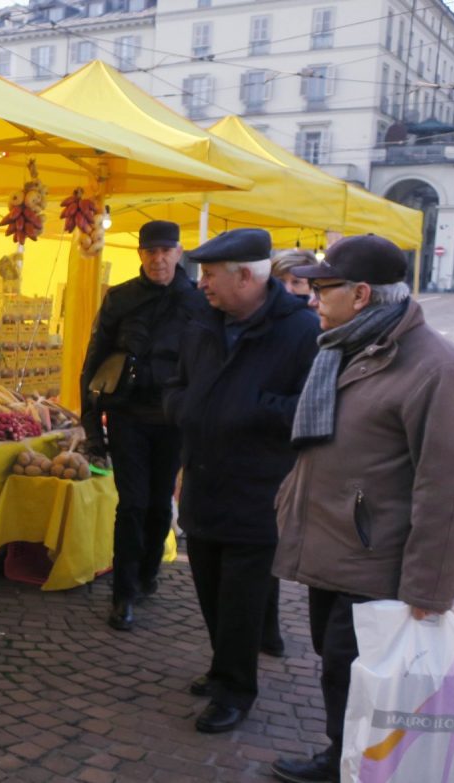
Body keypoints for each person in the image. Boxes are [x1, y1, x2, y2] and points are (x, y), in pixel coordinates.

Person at [270, 235, 454, 783]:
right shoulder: (343, 346)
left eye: (322, 288)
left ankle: (353, 765)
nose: (311, 299)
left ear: (360, 294)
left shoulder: (434, 367)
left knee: (355, 672)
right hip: (333, 548)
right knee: (336, 666)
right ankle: (344, 757)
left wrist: (428, 588)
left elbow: (444, 486)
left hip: (378, 563)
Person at [165, 228, 319, 734]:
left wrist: (247, 409)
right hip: (203, 482)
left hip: (259, 490)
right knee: (210, 589)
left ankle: (235, 690)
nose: (202, 283)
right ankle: (221, 668)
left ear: (247, 277)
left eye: (211, 275)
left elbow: (311, 409)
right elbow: (178, 383)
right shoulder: (203, 322)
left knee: (241, 601)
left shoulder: (301, 331)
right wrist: (184, 408)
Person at [79, 220, 208, 631]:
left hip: (173, 420)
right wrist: (91, 430)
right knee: (132, 504)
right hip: (127, 416)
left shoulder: (199, 301)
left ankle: (148, 571)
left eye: (166, 251)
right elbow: (93, 362)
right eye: (151, 251)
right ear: (140, 254)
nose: (158, 259)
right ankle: (124, 593)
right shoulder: (120, 298)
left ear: (179, 252)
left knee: (158, 504)